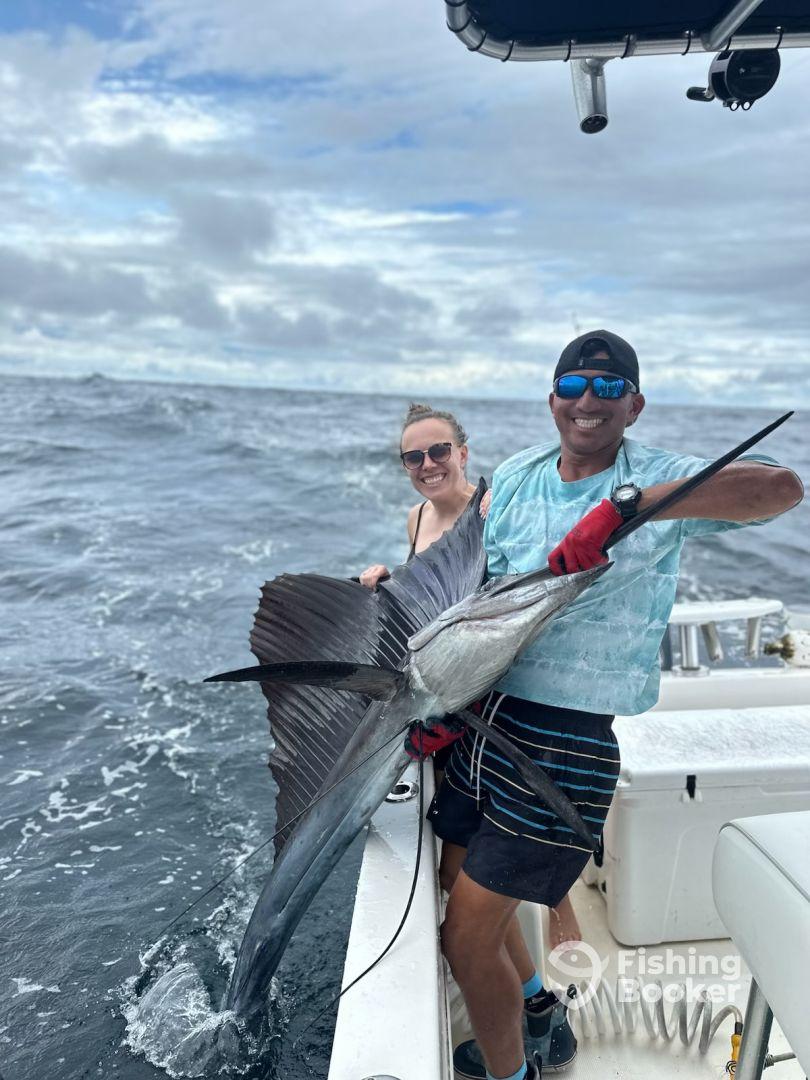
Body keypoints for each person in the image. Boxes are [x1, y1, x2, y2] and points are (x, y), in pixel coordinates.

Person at [426, 330, 803, 1080]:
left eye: (607, 388)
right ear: (552, 399)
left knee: (465, 938)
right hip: (479, 720)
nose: (587, 402)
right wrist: (440, 697)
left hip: (566, 745)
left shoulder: (662, 475)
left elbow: (781, 487)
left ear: (634, 403)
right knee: (457, 889)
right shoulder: (519, 473)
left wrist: (630, 507)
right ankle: (540, 1014)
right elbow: (480, 597)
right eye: (573, 386)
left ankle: (516, 1075)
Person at [359, 403, 586, 953]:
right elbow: (427, 597)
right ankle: (531, 986)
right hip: (441, 703)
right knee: (463, 861)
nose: (428, 464)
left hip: (492, 700)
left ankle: (563, 912)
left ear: (463, 453)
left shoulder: (491, 509)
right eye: (414, 456)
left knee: (500, 835)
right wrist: (385, 579)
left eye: (440, 451)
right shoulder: (416, 518)